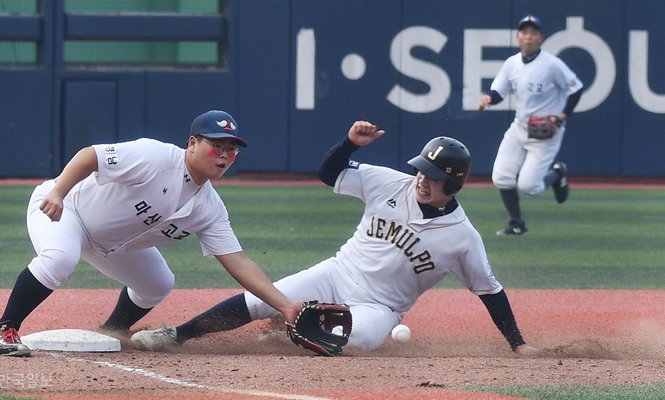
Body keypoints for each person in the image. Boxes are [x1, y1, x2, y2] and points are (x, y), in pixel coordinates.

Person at [131, 120, 539, 356]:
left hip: (382, 306)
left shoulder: (462, 238)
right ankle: (176, 334)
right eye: (419, 170)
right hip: (336, 273)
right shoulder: (390, 184)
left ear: (453, 183)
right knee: (260, 299)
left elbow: (490, 291)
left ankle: (287, 330)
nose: (420, 180)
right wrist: (348, 144)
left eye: (431, 177)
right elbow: (331, 174)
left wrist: (517, 344)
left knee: (355, 341)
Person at [0, 110, 305, 357]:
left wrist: (286, 306)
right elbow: (91, 155)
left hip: (109, 243)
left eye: (231, 150)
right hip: (65, 208)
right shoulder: (155, 157)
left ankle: (113, 330)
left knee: (159, 282)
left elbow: (238, 261)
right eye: (216, 146)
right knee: (60, 257)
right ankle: (5, 328)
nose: (224, 155)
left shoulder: (210, 207)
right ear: (192, 143)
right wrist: (58, 192)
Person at [478, 15, 584, 236]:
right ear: (518, 36)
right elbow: (499, 91)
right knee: (501, 177)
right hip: (519, 128)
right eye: (524, 32)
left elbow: (576, 88)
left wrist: (562, 116)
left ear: (541, 38)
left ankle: (557, 174)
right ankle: (517, 224)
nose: (529, 37)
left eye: (534, 33)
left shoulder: (552, 64)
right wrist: (489, 98)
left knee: (529, 187)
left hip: (546, 133)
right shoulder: (512, 64)